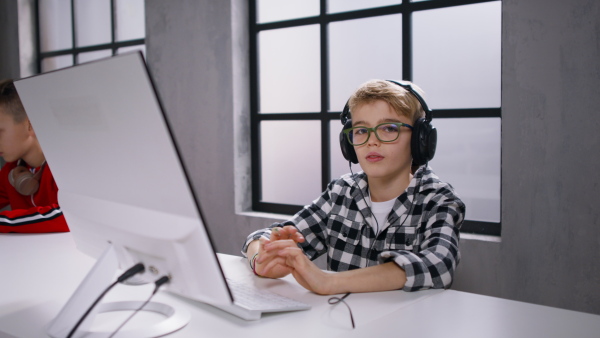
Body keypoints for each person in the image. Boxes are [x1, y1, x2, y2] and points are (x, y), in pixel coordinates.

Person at [242, 79, 465, 295]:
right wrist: (264, 258)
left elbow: (439, 265)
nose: (371, 141)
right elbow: (260, 236)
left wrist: (328, 282)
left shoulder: (437, 199)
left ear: (420, 139)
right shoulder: (341, 192)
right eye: (360, 130)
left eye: (388, 128)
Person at [0, 79, 69, 233]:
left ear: (30, 124)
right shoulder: (9, 171)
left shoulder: (65, 167)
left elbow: (68, 215)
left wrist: (6, 222)